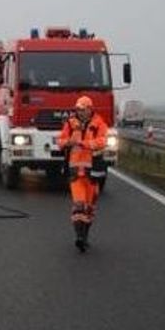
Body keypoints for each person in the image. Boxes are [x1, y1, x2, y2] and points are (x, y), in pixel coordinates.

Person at [57, 95, 109, 252]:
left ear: (89, 109)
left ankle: (85, 235)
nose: (80, 112)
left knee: (90, 208)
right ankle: (79, 237)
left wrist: (85, 144)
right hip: (75, 173)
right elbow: (60, 142)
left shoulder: (99, 123)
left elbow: (103, 141)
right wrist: (69, 142)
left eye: (82, 109)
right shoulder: (70, 124)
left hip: (93, 173)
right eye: (78, 110)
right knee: (78, 205)